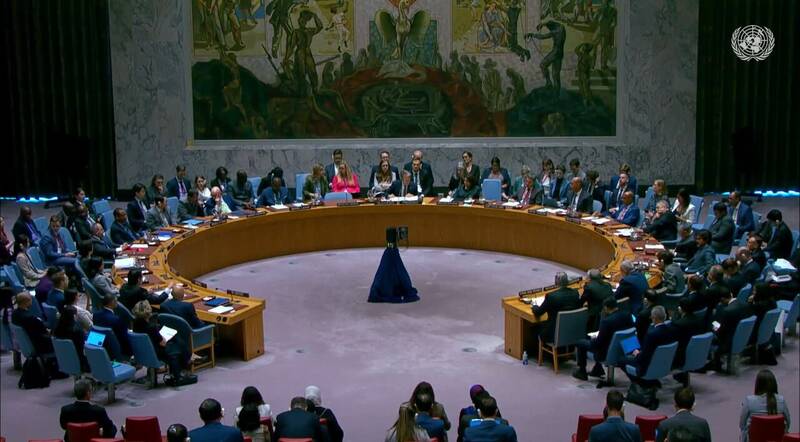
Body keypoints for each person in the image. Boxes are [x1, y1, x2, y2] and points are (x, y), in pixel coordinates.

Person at [132, 300, 195, 386]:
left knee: (176, 342)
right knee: (177, 344)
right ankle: (180, 373)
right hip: (155, 353)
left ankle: (184, 364)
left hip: (142, 351)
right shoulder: (151, 327)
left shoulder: (135, 323)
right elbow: (163, 343)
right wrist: (165, 338)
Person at [573, 297, 634, 381]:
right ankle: (597, 369)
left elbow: (598, 343)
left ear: (605, 307)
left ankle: (582, 372)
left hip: (605, 353)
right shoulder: (627, 316)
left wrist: (592, 340)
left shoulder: (606, 322)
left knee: (580, 343)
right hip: (623, 349)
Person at [626, 306, 679, 388]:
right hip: (664, 362)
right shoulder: (671, 330)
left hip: (647, 365)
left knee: (621, 359)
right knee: (631, 344)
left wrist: (637, 354)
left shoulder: (651, 335)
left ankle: (644, 382)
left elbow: (644, 357)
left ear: (654, 318)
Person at [739, 369, 792, 442]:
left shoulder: (749, 400)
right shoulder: (781, 400)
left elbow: (742, 425)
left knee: (744, 431)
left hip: (755, 439)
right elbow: (788, 423)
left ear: (758, 385)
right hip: (776, 440)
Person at [533, 272, 582, 344]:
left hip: (554, 334)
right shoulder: (575, 293)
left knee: (534, 329)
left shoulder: (551, 296)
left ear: (556, 281)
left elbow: (538, 312)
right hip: (571, 331)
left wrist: (534, 305)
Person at [93, 294, 131, 358]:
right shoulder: (116, 319)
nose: (117, 302)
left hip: (98, 348)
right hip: (115, 352)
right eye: (116, 301)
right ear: (111, 302)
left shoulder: (96, 315)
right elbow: (124, 338)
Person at [53, 305, 89, 371]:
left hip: (64, 361)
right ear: (74, 316)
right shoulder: (77, 332)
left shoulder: (56, 331)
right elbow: (83, 347)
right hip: (81, 363)